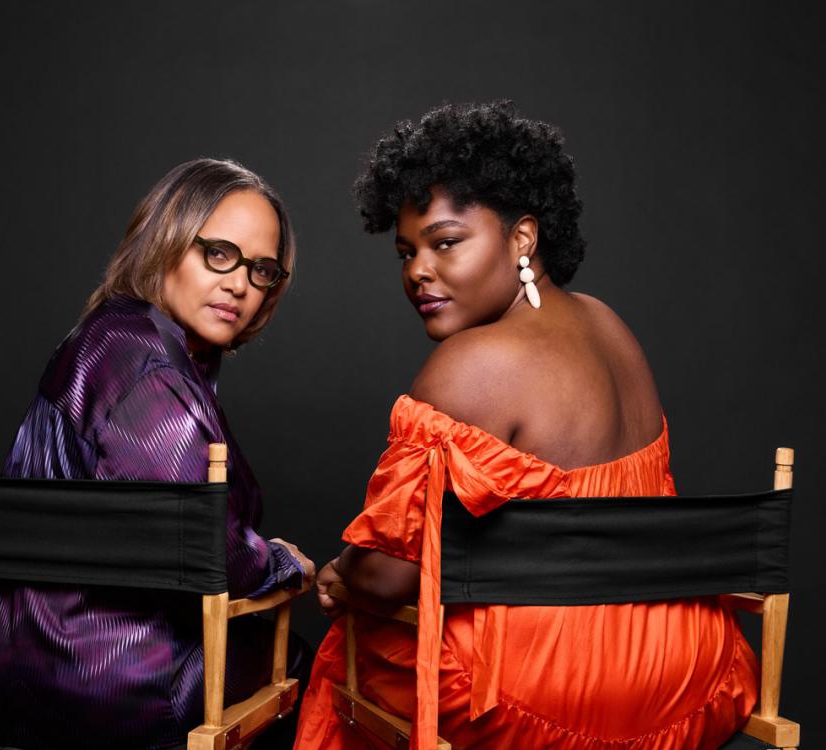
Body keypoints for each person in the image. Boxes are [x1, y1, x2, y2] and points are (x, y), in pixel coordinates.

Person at [294, 103, 757, 750]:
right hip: (688, 670)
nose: (418, 270)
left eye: (445, 242)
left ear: (522, 239)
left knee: (354, 638)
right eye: (406, 251)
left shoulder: (472, 365)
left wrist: (342, 571)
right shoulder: (610, 325)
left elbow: (386, 576)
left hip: (545, 700)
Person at [0, 158, 314, 750]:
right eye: (219, 254)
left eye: (262, 270)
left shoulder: (116, 334)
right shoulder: (144, 365)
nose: (239, 285)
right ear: (166, 241)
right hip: (81, 671)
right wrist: (279, 561)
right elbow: (201, 546)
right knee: (302, 664)